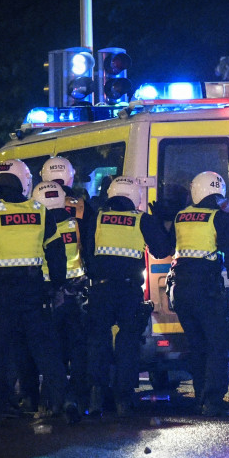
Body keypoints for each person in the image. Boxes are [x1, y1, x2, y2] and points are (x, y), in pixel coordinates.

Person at [0, 159, 70, 428]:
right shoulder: (40, 211)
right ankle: (57, 404)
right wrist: (57, 287)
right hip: (33, 293)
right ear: (24, 183)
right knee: (46, 351)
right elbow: (57, 254)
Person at [143, 171, 229, 417]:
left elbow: (166, 248)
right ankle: (213, 401)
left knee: (198, 344)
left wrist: (158, 220)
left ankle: (201, 398)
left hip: (180, 290)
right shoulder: (219, 218)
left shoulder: (181, 216)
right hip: (206, 289)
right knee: (219, 342)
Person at [82, 177, 164, 417]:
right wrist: (159, 221)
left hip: (100, 290)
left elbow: (86, 252)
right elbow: (161, 250)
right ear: (135, 197)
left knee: (98, 342)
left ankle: (96, 397)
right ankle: (123, 400)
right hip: (129, 292)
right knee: (128, 344)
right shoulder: (141, 220)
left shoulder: (97, 218)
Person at [32, 180, 90, 420]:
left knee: (49, 350)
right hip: (75, 294)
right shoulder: (76, 224)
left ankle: (52, 400)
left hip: (47, 295)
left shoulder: (36, 227)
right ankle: (77, 398)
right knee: (78, 348)